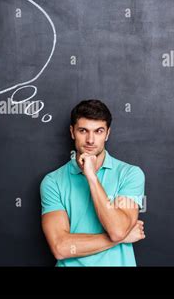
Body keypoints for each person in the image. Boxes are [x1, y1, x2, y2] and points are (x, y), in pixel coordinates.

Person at [40, 99, 146, 266]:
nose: (90, 140)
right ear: (72, 132)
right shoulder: (52, 181)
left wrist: (91, 177)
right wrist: (121, 238)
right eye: (83, 130)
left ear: (107, 134)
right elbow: (60, 247)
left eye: (98, 131)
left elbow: (117, 230)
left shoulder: (130, 174)